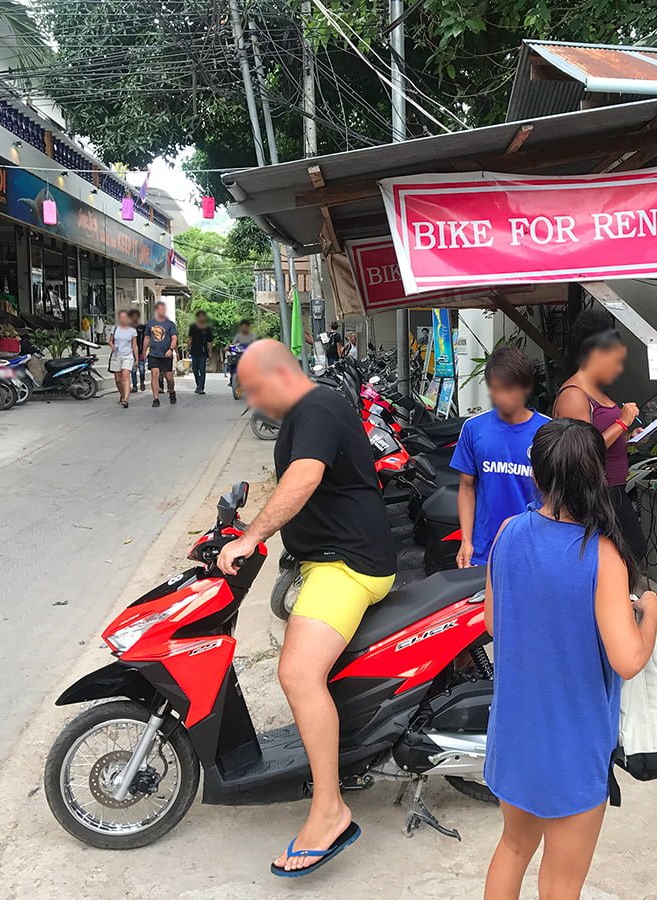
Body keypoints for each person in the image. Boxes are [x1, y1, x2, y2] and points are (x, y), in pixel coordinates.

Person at [217, 340, 396, 877]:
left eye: (252, 389)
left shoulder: (317, 406)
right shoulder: (308, 412)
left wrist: (251, 536)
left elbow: (305, 476)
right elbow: (292, 479)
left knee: (296, 673)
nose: (252, 402)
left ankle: (330, 809)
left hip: (348, 564)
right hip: (322, 560)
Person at [483, 417, 657, 900]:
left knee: (514, 848)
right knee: (561, 882)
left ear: (534, 473)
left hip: (515, 733)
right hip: (572, 743)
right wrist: (651, 617)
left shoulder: (507, 532)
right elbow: (626, 660)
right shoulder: (602, 555)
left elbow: (492, 625)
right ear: (596, 477)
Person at [552, 308, 645, 559]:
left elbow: (605, 437)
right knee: (623, 552)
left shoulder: (598, 392)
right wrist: (622, 424)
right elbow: (581, 449)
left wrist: (629, 437)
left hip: (613, 490)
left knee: (630, 551)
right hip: (592, 494)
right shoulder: (574, 394)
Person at [452, 347, 550, 568]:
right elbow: (466, 487)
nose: (502, 397)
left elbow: (558, 495)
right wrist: (466, 541)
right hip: (484, 552)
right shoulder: (474, 428)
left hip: (534, 553)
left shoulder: (548, 431)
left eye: (509, 389)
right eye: (496, 389)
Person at [142, 301, 178, 407]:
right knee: (154, 374)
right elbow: (147, 338)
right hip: (154, 354)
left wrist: (171, 349)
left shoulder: (170, 324)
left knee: (169, 377)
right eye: (160, 309)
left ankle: (171, 391)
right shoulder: (150, 323)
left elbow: (174, 338)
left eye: (163, 309)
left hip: (166, 354)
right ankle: (156, 399)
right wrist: (143, 352)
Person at [108, 309, 138, 409]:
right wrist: (112, 346)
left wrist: (136, 358)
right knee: (118, 379)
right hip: (116, 355)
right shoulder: (115, 328)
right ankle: (122, 394)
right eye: (121, 317)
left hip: (128, 356)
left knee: (125, 376)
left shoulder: (132, 330)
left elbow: (134, 345)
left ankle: (126, 399)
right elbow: (110, 341)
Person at [187, 310, 213, 395]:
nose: (202, 318)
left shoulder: (207, 328)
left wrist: (210, 352)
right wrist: (188, 349)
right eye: (200, 316)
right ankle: (198, 385)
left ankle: (201, 387)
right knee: (195, 369)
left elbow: (209, 342)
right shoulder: (193, 327)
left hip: (203, 351)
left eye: (203, 316)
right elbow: (190, 339)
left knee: (202, 369)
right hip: (194, 350)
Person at [129, 311, 147, 393]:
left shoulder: (143, 327)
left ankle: (142, 381)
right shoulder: (129, 328)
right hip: (132, 352)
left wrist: (145, 350)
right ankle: (135, 386)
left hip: (141, 351)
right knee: (133, 370)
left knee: (142, 369)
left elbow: (147, 339)